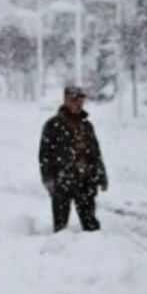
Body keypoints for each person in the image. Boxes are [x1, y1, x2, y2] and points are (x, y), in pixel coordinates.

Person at [39, 85, 108, 232]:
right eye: (74, 99)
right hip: (62, 180)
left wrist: (101, 176)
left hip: (86, 181)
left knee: (91, 226)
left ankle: (94, 252)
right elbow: (44, 154)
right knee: (60, 227)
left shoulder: (87, 125)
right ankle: (60, 252)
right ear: (65, 100)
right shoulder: (53, 125)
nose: (77, 103)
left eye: (81, 99)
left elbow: (95, 153)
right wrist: (47, 177)